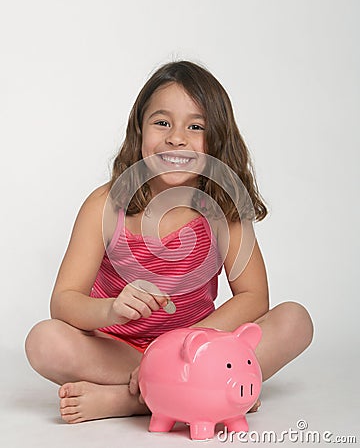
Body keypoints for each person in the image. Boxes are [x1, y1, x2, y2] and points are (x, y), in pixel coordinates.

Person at [25, 61, 313, 424]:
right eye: (162, 123)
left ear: (217, 140)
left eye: (195, 127)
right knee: (44, 341)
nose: (177, 137)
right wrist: (110, 309)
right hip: (120, 352)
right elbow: (64, 302)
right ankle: (198, 394)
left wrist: (183, 345)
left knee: (295, 320)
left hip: (196, 351)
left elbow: (254, 297)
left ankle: (132, 401)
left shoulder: (224, 211)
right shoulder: (105, 205)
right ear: (139, 131)